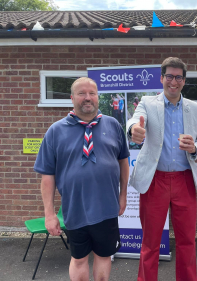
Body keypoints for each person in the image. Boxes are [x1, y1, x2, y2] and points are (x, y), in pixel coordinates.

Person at [34, 77, 130, 281]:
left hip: (107, 209)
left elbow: (123, 162)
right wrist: (49, 214)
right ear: (72, 98)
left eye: (92, 93)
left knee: (104, 256)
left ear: (97, 97)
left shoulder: (113, 125)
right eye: (82, 93)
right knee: (78, 259)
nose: (88, 98)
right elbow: (47, 175)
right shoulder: (55, 132)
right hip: (75, 210)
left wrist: (123, 195)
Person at [127, 57, 197, 281]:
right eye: (169, 76)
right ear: (162, 78)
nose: (173, 81)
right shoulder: (147, 102)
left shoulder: (195, 108)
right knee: (151, 242)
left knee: (187, 241)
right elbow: (133, 121)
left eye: (178, 77)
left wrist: (194, 148)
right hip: (155, 180)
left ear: (184, 81)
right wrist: (134, 129)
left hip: (184, 180)